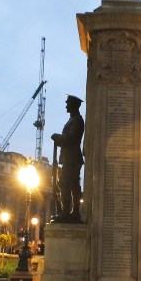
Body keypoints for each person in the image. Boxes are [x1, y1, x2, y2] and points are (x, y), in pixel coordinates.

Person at [51, 95, 85, 223]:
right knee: (72, 184)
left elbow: (71, 139)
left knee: (66, 184)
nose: (66, 105)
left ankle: (68, 212)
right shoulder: (73, 119)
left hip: (72, 157)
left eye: (68, 103)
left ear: (73, 105)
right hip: (69, 157)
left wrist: (57, 137)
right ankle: (73, 211)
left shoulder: (77, 120)